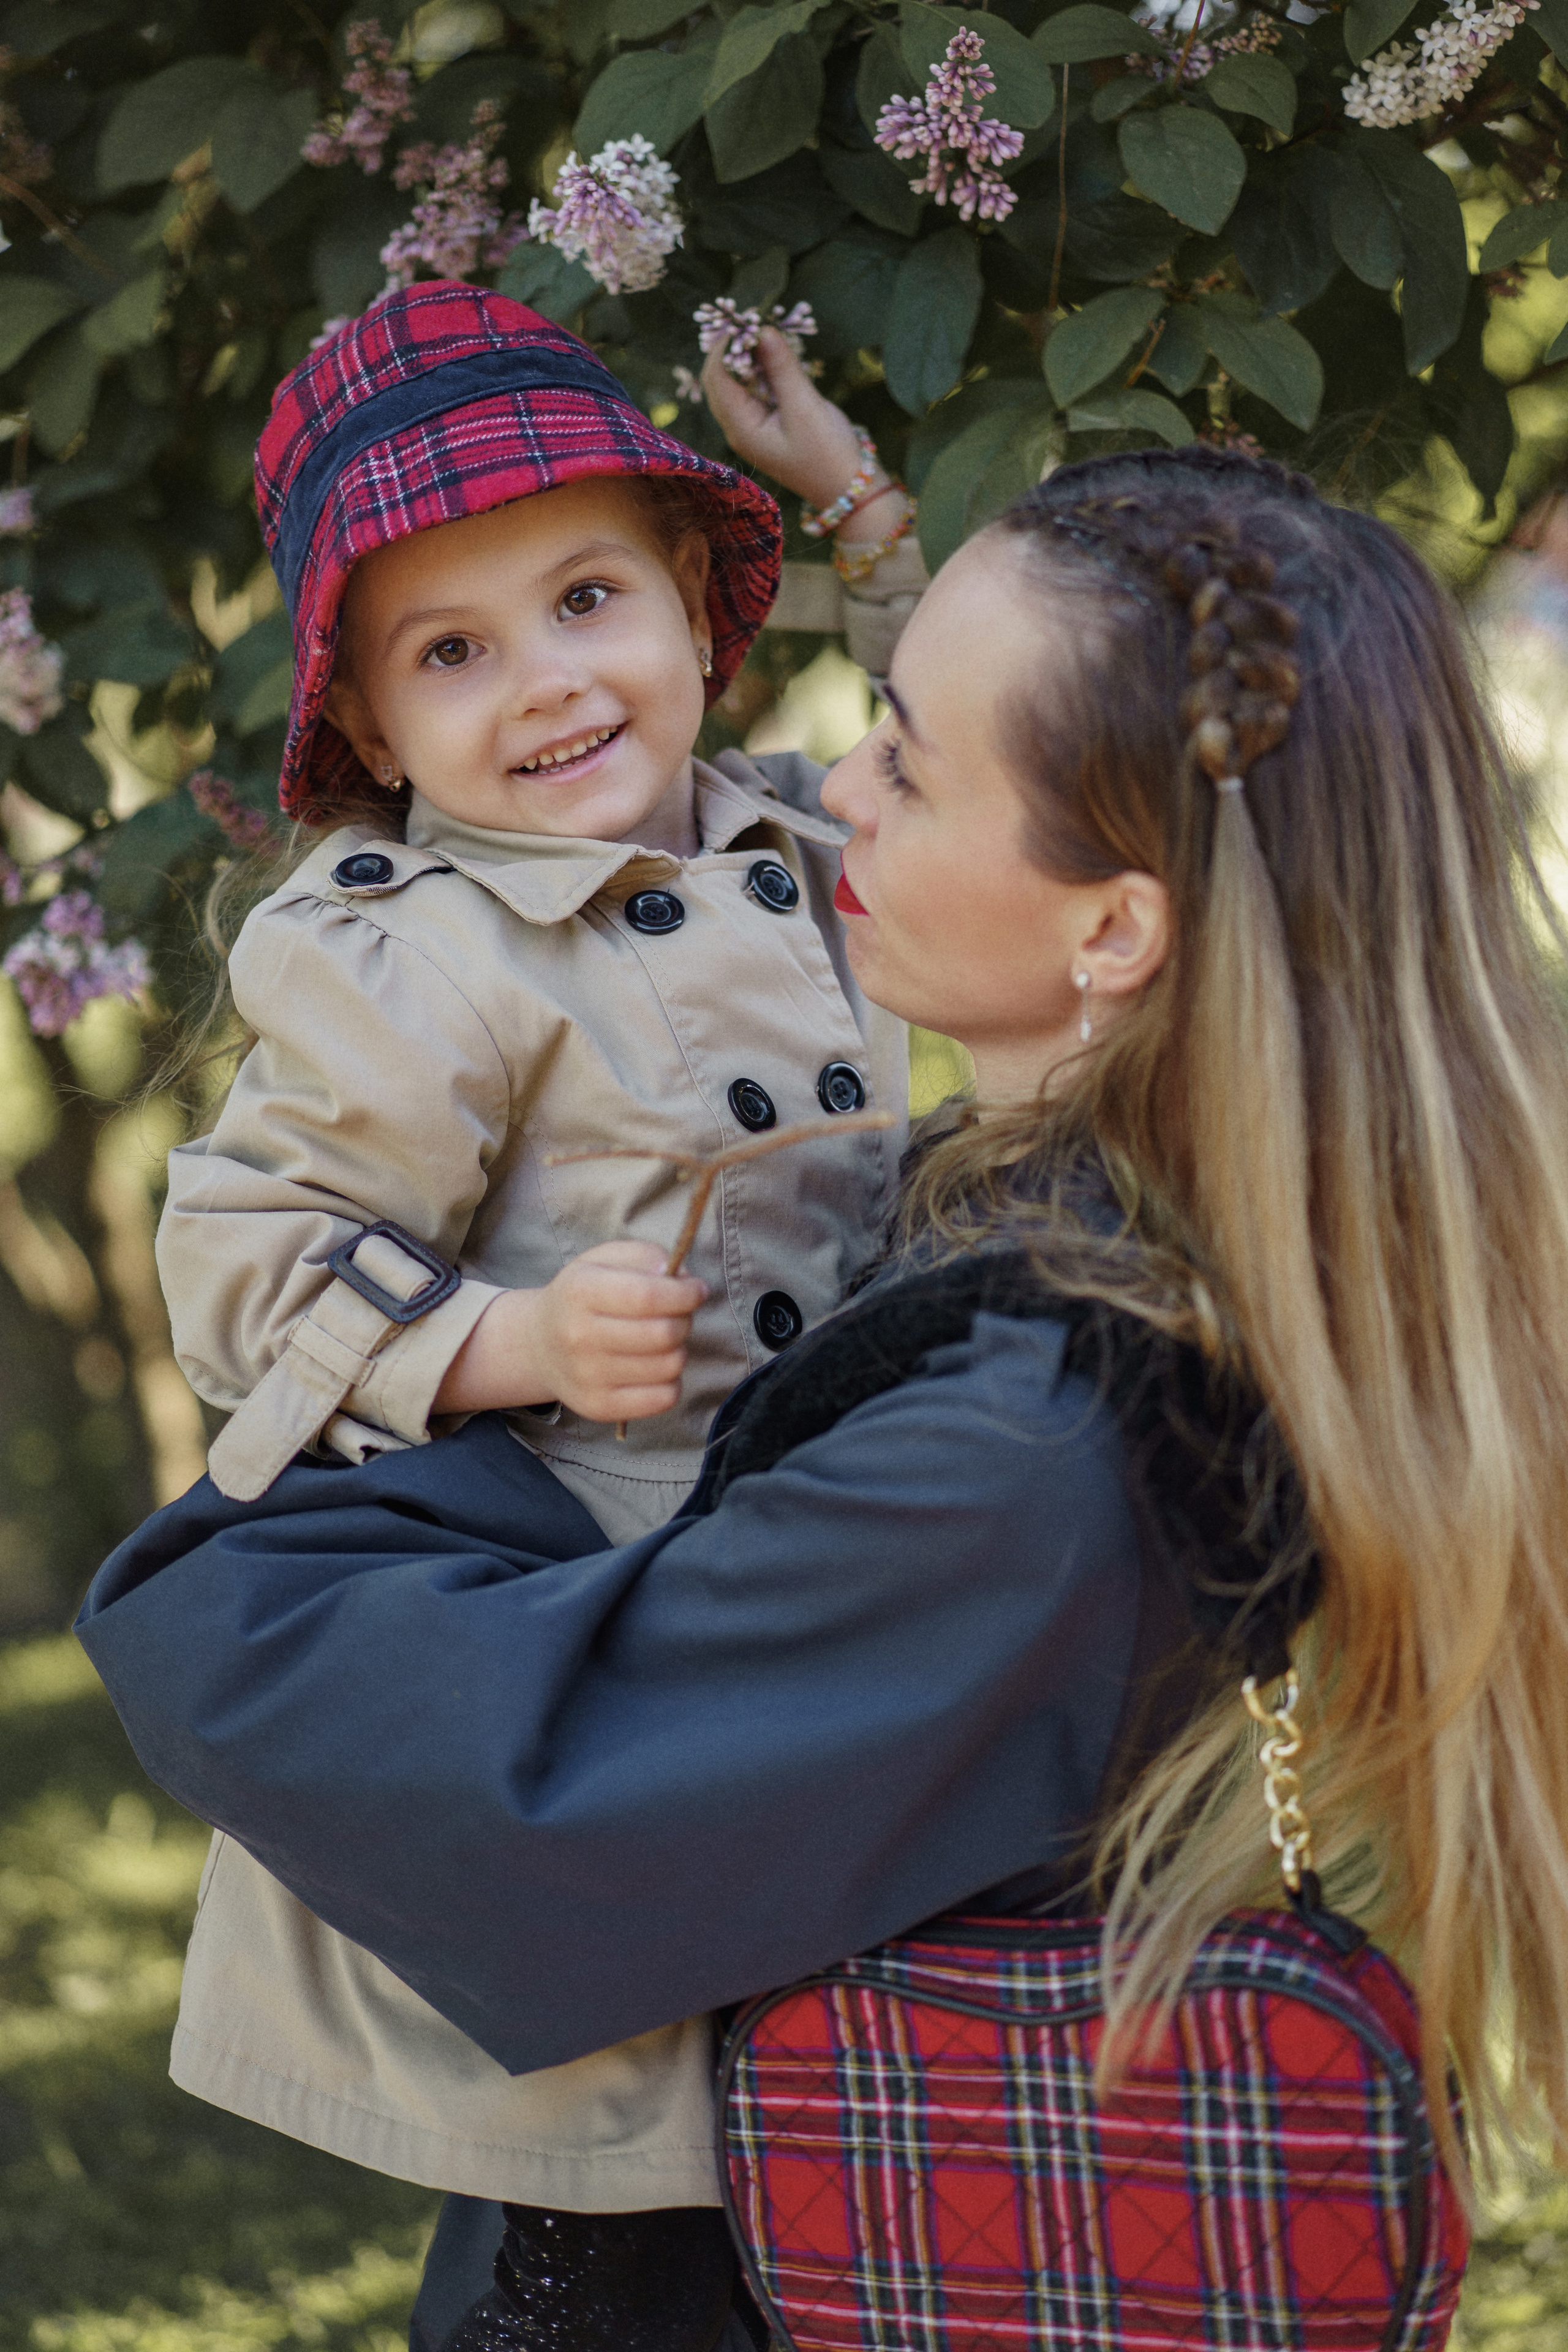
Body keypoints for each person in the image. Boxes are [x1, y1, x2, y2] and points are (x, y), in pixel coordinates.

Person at [81, 428, 1568, 2350]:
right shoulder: (1064, 1230)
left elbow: (470, 1772)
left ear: (1114, 926)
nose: (828, 790)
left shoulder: (1034, 1439)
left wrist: (313, 1500)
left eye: (909, 762)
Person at [143, 279, 933, 2352]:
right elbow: (242, 1257)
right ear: (370, 727)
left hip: (825, 1595)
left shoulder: (789, 832)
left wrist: (853, 499)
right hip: (598, 1626)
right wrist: (512, 1345)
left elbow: (979, 754)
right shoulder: (417, 955)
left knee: (839, 2158)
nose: (548, 683)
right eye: (453, 651)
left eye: (587, 600)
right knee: (605, 2196)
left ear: (690, 601)